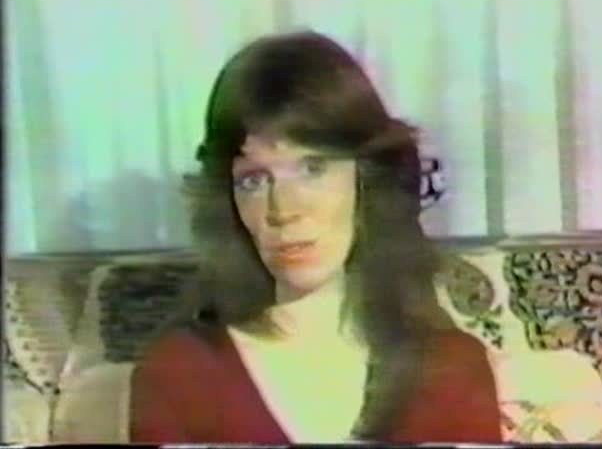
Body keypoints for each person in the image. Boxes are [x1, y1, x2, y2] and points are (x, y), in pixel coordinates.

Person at [129, 30, 502, 444]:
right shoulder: (179, 375)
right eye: (253, 180)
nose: (283, 210)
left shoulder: (452, 370)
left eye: (313, 169)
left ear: (365, 179)